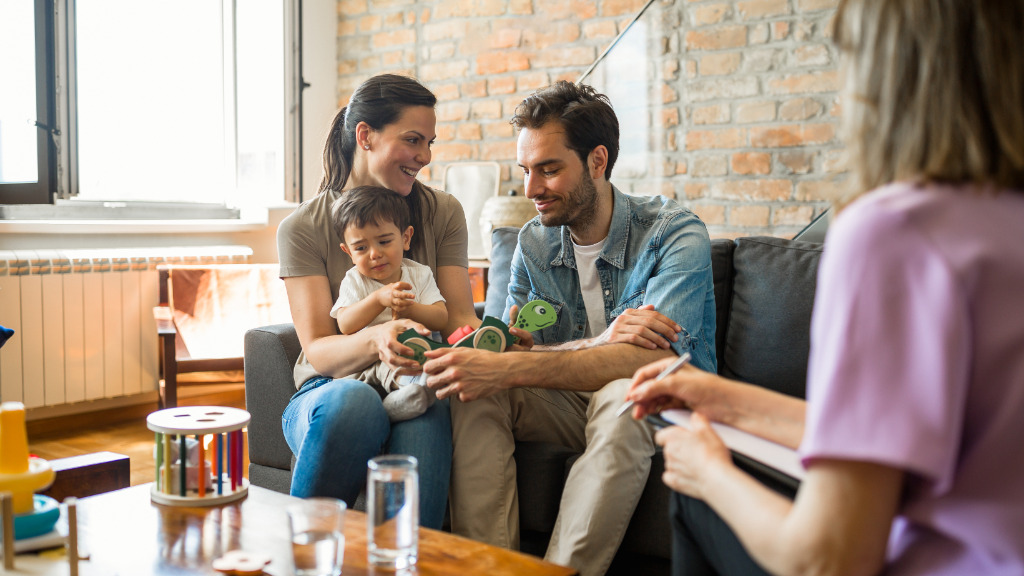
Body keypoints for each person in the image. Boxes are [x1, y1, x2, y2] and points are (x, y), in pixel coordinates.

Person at [625, 0, 1024, 574]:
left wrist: (709, 472)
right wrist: (723, 397)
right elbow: (918, 436)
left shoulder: (898, 231)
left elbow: (827, 558)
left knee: (696, 499)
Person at [423, 81, 718, 576]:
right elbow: (504, 353)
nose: (531, 189)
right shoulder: (533, 244)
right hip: (568, 398)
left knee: (627, 393)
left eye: (549, 169)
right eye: (525, 170)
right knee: (473, 389)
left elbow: (655, 363)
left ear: (598, 161)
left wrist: (522, 362)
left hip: (658, 403)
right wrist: (596, 344)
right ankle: (488, 570)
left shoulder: (674, 234)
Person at [276, 74, 478, 530]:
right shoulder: (302, 228)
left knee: (426, 407)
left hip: (413, 375)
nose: (425, 156)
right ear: (365, 136)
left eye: (429, 142)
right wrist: (378, 337)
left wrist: (494, 342)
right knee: (354, 403)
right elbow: (320, 350)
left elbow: (461, 319)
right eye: (412, 140)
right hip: (326, 389)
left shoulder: (442, 213)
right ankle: (304, 552)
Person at [329, 185, 447, 422]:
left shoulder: (419, 274)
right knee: (391, 370)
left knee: (432, 369)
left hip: (416, 355)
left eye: (384, 242)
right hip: (371, 361)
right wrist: (378, 299)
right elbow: (345, 324)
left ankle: (415, 393)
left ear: (405, 238)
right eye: (361, 248)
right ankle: (394, 408)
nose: (374, 254)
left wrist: (410, 308)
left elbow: (441, 318)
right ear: (348, 252)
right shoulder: (355, 280)